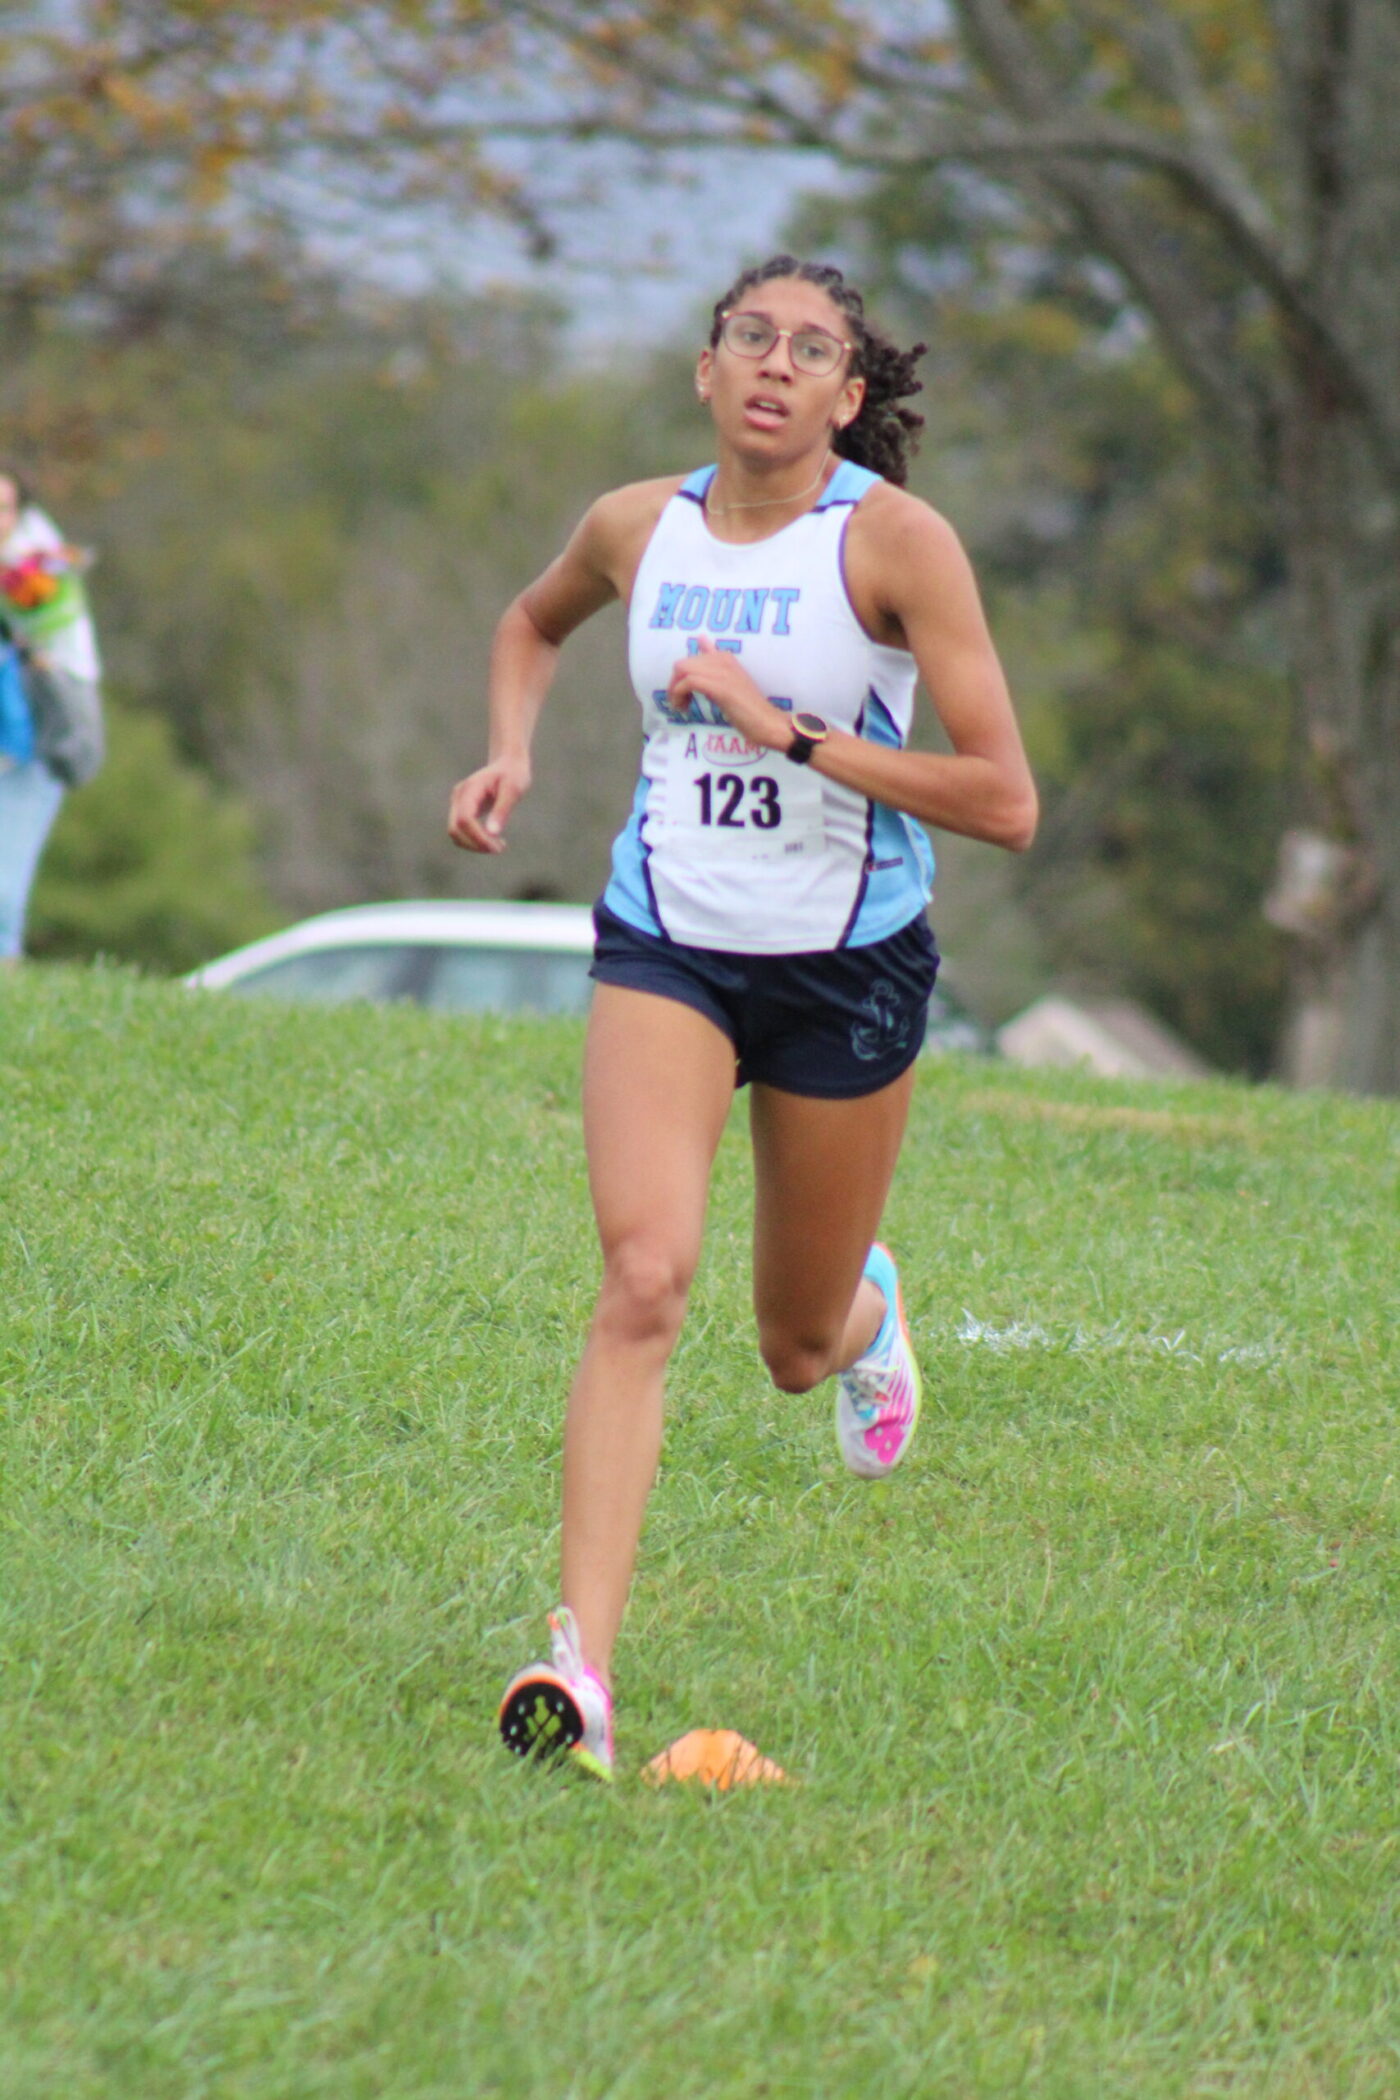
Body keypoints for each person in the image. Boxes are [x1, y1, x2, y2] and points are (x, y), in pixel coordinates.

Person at [448, 255, 1038, 1780]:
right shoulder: (635, 528)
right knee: (644, 1278)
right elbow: (530, 624)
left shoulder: (895, 544)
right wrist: (506, 753)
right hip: (671, 945)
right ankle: (577, 1669)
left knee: (788, 1341)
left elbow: (1005, 799)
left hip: (850, 960)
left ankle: (870, 1318)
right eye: (751, 337)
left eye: (814, 350)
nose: (776, 364)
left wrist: (797, 734)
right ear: (706, 369)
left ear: (849, 396)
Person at [0, 466, 104, 964]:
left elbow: (47, 631)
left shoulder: (34, 563)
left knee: (6, 868)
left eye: (4, 507)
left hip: (34, 725)